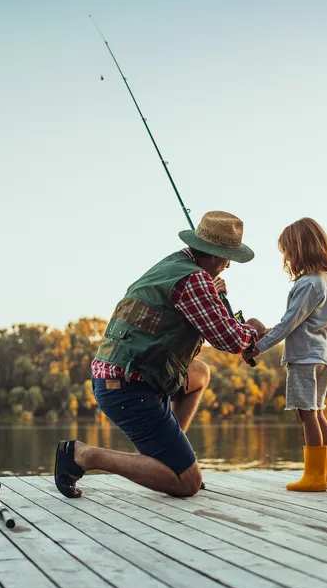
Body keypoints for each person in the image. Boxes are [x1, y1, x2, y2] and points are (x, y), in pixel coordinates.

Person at [54, 211, 264, 499]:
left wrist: (213, 296)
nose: (228, 266)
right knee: (186, 484)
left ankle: (174, 456)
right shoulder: (195, 281)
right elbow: (229, 339)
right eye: (229, 259)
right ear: (217, 257)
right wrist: (253, 330)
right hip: (129, 387)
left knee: (200, 373)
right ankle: (85, 455)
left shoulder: (174, 265)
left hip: (123, 375)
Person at [243, 217, 327, 492]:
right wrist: (268, 331)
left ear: (300, 250)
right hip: (323, 355)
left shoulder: (307, 283)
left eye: (288, 251)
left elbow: (289, 323)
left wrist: (259, 347)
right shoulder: (326, 282)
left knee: (307, 414)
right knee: (318, 412)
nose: (286, 257)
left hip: (304, 358)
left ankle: (313, 477)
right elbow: (301, 322)